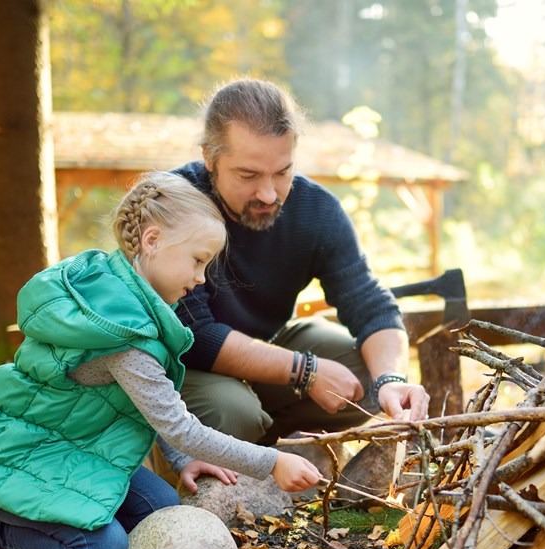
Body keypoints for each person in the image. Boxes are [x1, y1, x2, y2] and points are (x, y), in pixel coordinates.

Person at [0, 171, 321, 549]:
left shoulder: (119, 293)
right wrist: (272, 461)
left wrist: (182, 460)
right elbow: (179, 426)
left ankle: (41, 540)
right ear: (153, 240)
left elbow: (149, 404)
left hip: (70, 446)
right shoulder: (122, 334)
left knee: (158, 507)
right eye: (197, 261)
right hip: (15, 456)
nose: (201, 278)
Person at [148, 78, 430, 482]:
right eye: (248, 175)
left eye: (283, 172)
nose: (268, 193)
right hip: (182, 365)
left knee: (368, 379)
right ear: (210, 158)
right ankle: (189, 477)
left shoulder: (316, 211)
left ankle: (271, 447)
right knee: (232, 413)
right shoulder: (172, 204)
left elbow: (370, 303)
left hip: (271, 344)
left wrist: (392, 380)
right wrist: (305, 371)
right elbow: (194, 335)